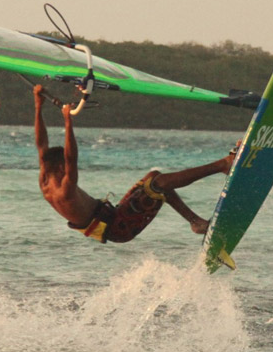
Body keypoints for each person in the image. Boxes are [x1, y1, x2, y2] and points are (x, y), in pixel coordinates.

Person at [33, 84, 234, 243]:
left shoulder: (45, 180)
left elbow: (41, 144)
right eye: (64, 167)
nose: (67, 169)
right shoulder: (65, 189)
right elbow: (71, 157)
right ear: (60, 168)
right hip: (118, 227)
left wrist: (38, 105)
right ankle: (222, 165)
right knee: (158, 184)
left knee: (153, 177)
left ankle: (196, 223)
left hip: (113, 216)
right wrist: (68, 122)